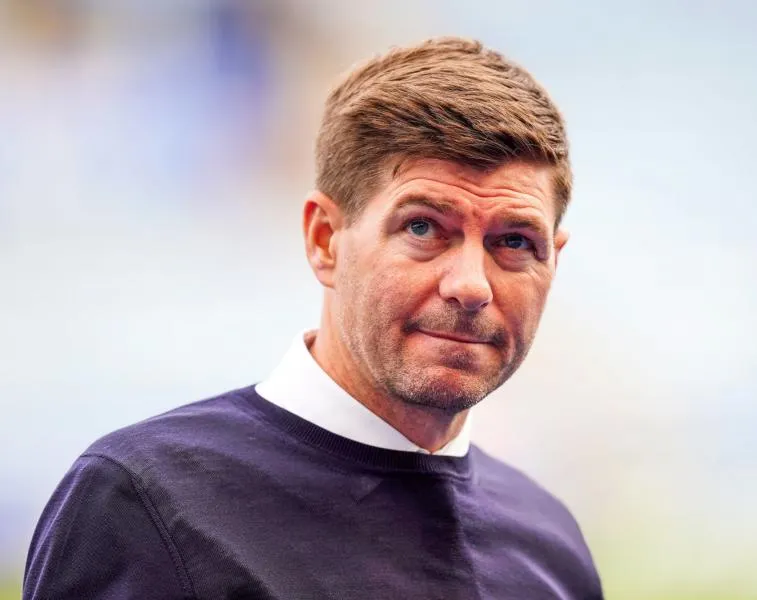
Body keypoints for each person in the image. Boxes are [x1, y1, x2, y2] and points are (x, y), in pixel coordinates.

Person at [24, 37, 604, 599]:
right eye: (423, 227)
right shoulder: (144, 503)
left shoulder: (551, 545)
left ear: (554, 259)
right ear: (325, 239)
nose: (471, 286)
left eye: (515, 241)